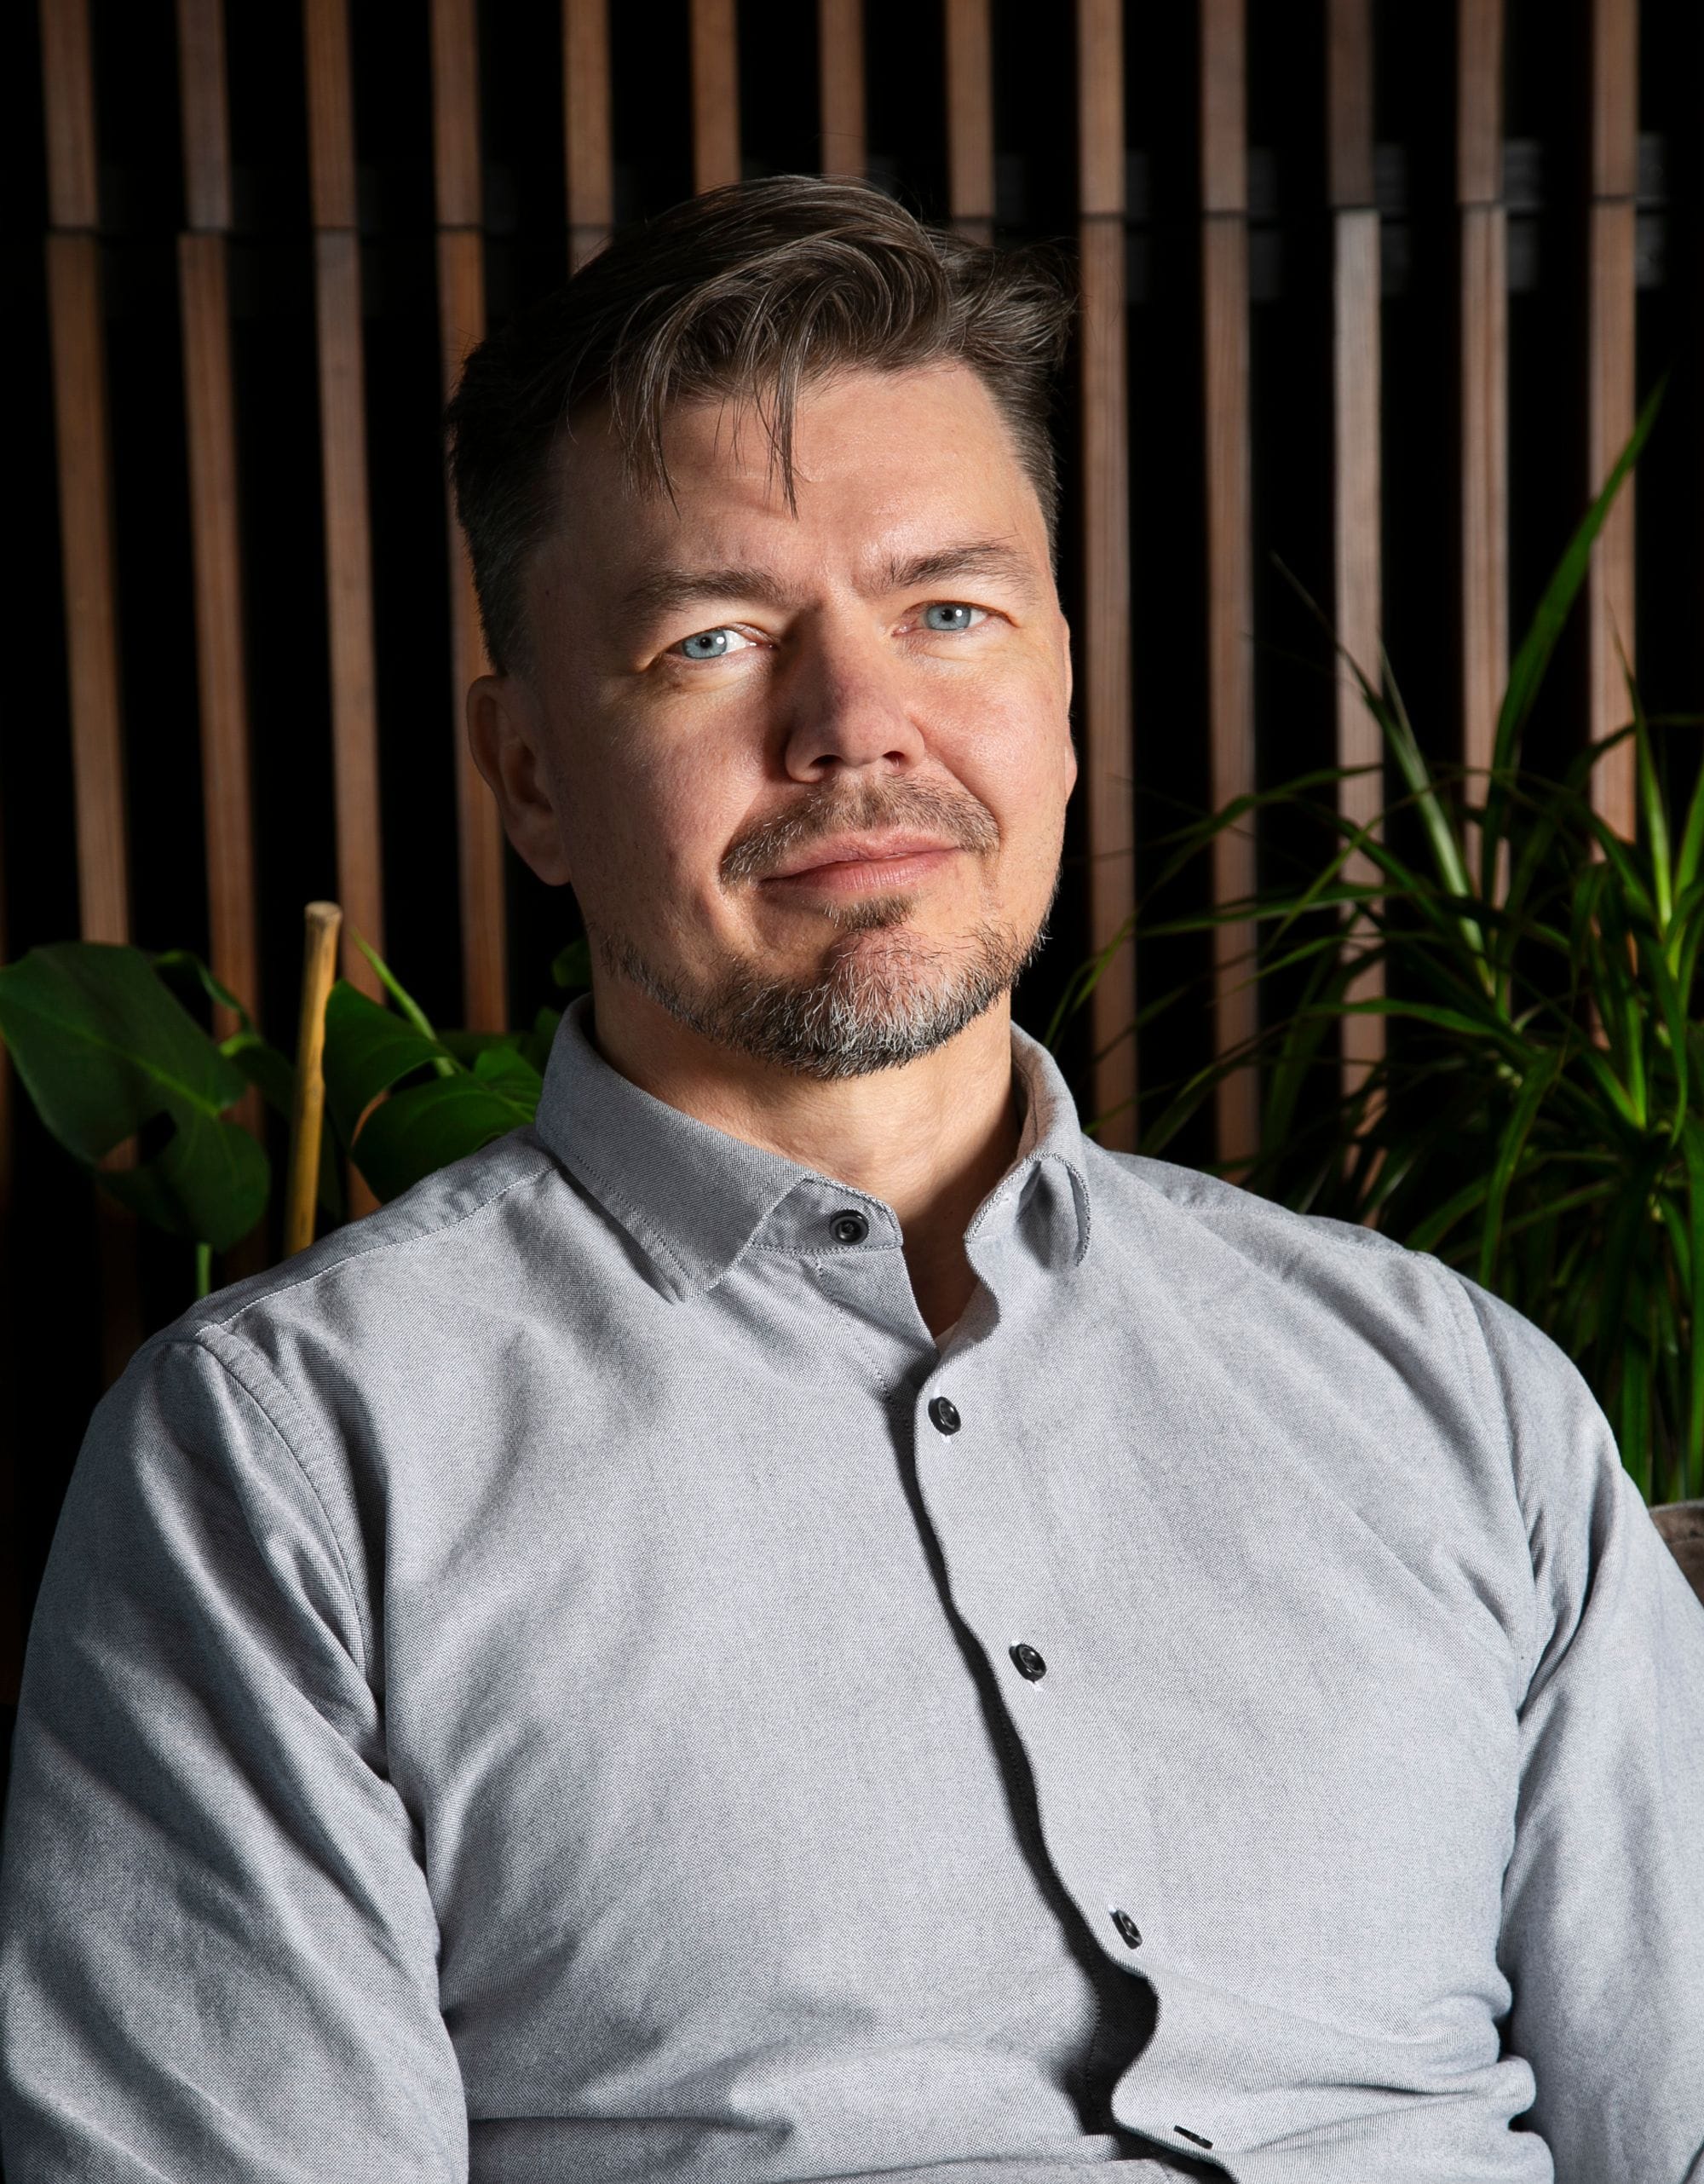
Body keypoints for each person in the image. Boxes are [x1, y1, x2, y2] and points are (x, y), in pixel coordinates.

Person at [2, 176, 1700, 2184]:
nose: (855, 727)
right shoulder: (288, 1463)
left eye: (947, 612)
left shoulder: (1449, 1387)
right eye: (711, 640)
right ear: (530, 769)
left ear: (1059, 690)